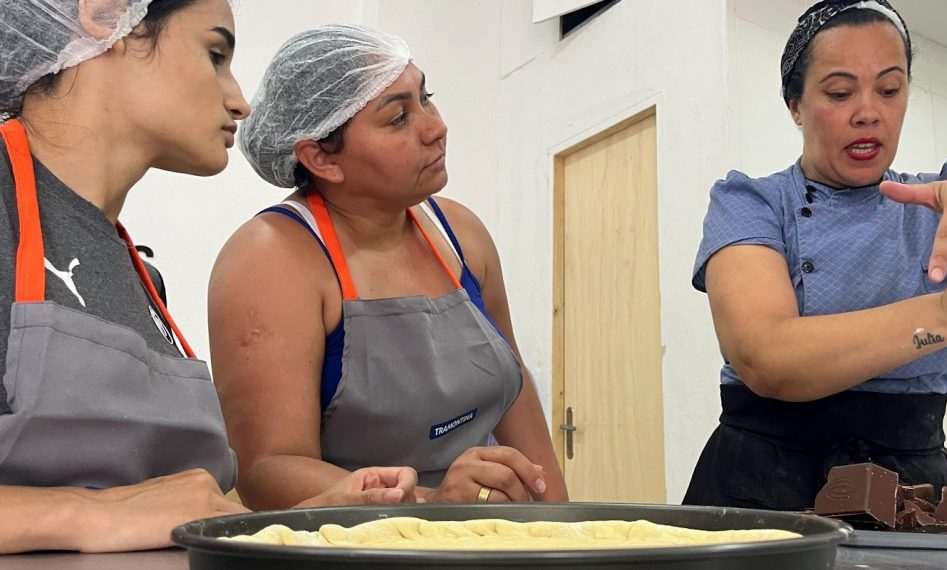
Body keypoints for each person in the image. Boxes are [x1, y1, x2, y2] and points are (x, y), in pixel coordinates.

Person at [0, 1, 413, 554]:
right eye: (214, 54)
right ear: (106, 19)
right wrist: (93, 513)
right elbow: (129, 508)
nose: (240, 102)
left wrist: (296, 518)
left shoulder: (137, 273)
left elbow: (163, 504)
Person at [683, 0, 947, 510]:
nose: (868, 111)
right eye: (839, 91)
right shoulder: (753, 202)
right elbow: (767, 358)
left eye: (890, 89)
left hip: (911, 484)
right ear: (795, 105)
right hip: (761, 480)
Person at [209, 25, 568, 509]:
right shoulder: (270, 259)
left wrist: (563, 526)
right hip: (356, 546)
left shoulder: (460, 234)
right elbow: (267, 468)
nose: (435, 127)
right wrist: (429, 503)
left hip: (487, 532)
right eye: (398, 117)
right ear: (320, 157)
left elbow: (515, 389)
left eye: (427, 98)